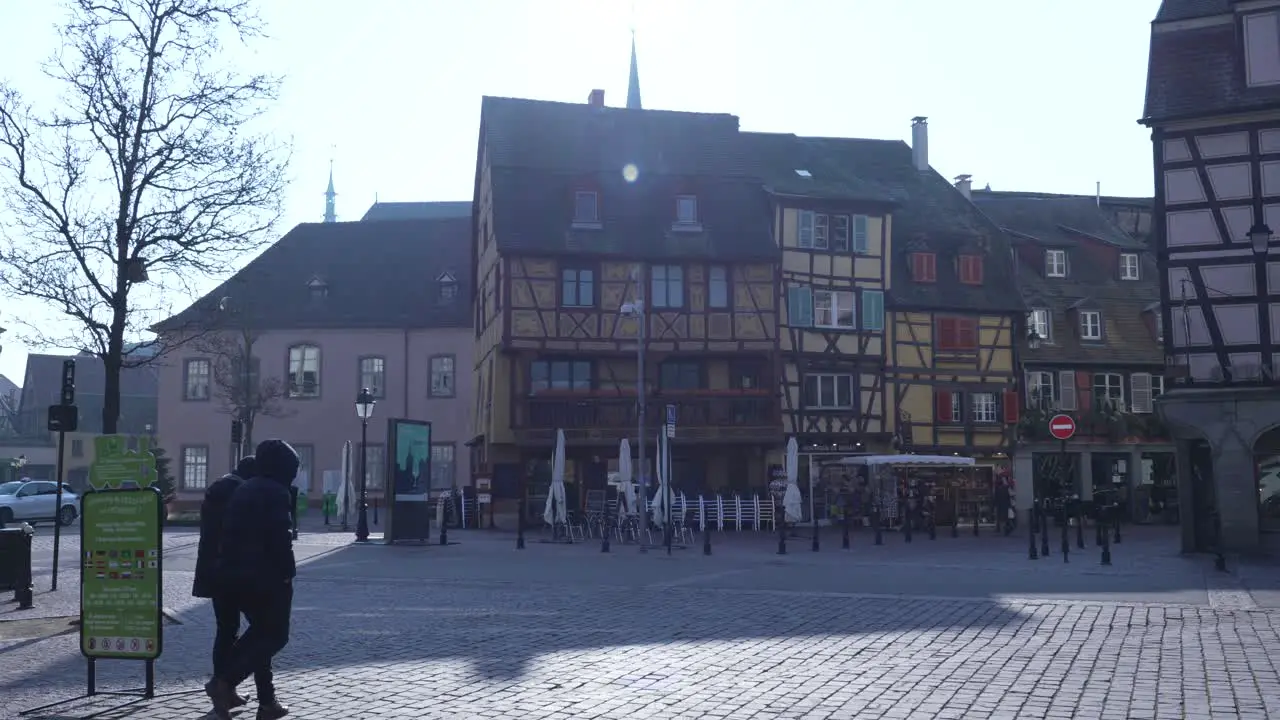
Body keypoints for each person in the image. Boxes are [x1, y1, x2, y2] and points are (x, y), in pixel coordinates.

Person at [205, 439, 299, 720]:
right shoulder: (277, 492)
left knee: (259, 633)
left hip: (232, 574)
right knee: (275, 634)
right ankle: (224, 682)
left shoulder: (244, 488)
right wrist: (287, 573)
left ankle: (255, 697)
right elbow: (280, 538)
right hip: (263, 576)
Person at [192, 455, 261, 711]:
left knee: (226, 629)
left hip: (213, 571)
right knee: (263, 628)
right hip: (235, 572)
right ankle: (223, 683)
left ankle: (224, 686)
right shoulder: (240, 493)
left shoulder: (217, 489)